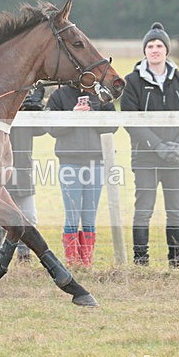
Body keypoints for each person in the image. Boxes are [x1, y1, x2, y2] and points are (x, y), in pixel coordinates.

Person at [121, 22, 179, 268]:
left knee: (175, 210)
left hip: (177, 158)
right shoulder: (132, 82)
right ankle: (140, 261)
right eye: (150, 46)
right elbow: (131, 122)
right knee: (144, 209)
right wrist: (157, 146)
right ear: (144, 51)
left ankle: (176, 259)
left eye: (159, 46)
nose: (155, 50)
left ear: (167, 50)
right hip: (145, 158)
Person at [45, 82, 117, 267]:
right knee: (72, 215)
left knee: (89, 216)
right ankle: (72, 263)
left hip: (96, 163)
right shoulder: (59, 95)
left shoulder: (102, 95)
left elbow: (112, 126)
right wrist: (73, 116)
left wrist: (92, 116)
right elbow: (51, 129)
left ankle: (86, 264)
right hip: (69, 163)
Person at [5, 87, 47, 263]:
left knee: (29, 216)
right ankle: (2, 257)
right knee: (2, 219)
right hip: (0, 170)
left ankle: (24, 256)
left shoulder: (27, 109)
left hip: (23, 170)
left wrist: (36, 110)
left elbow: (42, 130)